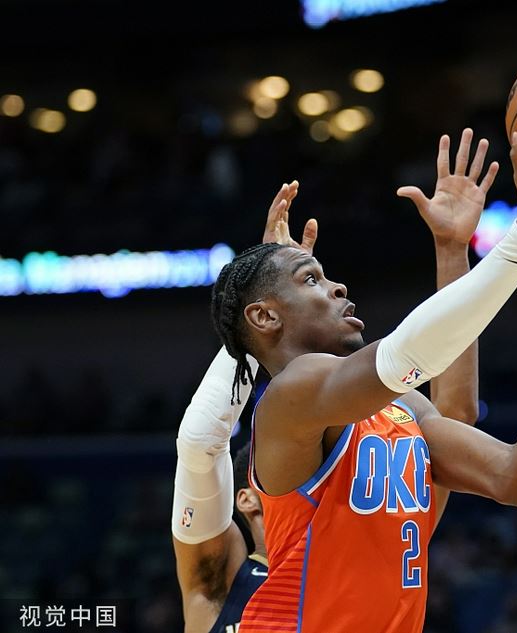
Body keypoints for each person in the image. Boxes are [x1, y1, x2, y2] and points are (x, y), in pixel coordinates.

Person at [214, 124, 517, 633]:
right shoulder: (289, 396)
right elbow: (407, 355)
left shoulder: (399, 411)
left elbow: (513, 476)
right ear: (265, 317)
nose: (338, 286)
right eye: (311, 279)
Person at [171, 127, 490, 633]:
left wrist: (271, 309)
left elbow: (454, 417)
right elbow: (199, 441)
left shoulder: (370, 520)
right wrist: (255, 315)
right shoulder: (222, 577)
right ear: (248, 496)